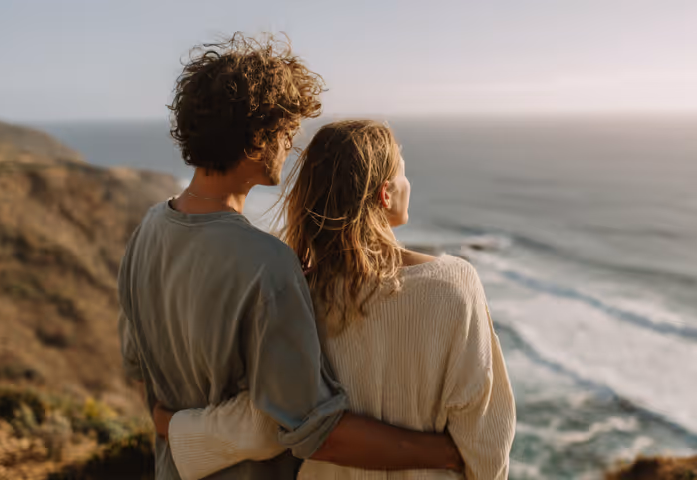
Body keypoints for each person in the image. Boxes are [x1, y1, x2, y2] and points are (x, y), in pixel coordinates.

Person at [117, 34, 464, 480]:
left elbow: (137, 366)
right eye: (286, 131)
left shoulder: (146, 230)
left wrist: (176, 423)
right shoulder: (265, 263)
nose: (292, 143)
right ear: (256, 140)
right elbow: (316, 429)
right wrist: (449, 453)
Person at [156, 120, 517, 480]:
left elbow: (266, 421)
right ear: (385, 194)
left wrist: (175, 427)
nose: (409, 183)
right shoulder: (454, 284)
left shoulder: (296, 295)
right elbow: (488, 437)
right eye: (403, 172)